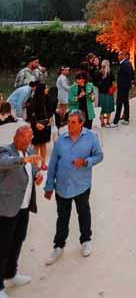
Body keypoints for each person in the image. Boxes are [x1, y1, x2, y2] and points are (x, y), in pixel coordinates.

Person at [44, 109, 103, 265]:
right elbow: (52, 165)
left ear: (81, 123)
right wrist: (49, 186)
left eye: (73, 122)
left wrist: (85, 162)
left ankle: (86, 240)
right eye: (68, 122)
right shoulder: (60, 141)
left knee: (83, 213)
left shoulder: (91, 138)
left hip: (81, 185)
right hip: (62, 187)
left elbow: (99, 156)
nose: (69, 125)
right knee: (62, 217)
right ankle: (58, 246)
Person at [0, 125, 42, 296]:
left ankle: (11, 273)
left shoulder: (29, 150)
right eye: (23, 137)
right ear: (15, 137)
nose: (27, 141)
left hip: (24, 207)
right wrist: (24, 160)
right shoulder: (5, 151)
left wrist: (37, 174)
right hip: (7, 210)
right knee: (3, 247)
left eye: (29, 138)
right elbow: (4, 163)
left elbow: (33, 169)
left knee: (18, 241)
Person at [25, 83, 52, 169]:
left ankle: (43, 163)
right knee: (36, 145)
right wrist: (35, 124)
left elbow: (50, 111)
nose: (47, 90)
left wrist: (50, 119)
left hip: (46, 124)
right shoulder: (32, 100)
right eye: (45, 88)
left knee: (43, 145)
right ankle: (35, 165)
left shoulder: (47, 98)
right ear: (41, 90)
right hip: (36, 125)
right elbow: (29, 115)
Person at [112, 51, 134, 127]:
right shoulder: (128, 62)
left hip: (123, 87)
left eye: (119, 55)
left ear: (123, 56)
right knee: (125, 102)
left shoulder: (124, 64)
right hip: (125, 86)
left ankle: (115, 122)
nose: (118, 56)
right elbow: (131, 73)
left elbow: (128, 74)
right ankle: (126, 118)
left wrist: (125, 83)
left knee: (119, 103)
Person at [95, 59, 115, 128]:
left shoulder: (98, 72)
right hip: (109, 93)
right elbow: (113, 82)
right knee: (108, 108)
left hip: (101, 93)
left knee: (102, 108)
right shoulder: (110, 72)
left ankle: (102, 122)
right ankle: (108, 122)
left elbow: (96, 82)